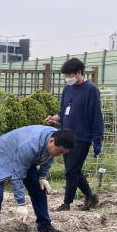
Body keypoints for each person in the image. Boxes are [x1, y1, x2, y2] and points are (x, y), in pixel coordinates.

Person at [0, 125, 76, 232]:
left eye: (63, 153)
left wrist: (42, 176)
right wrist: (21, 204)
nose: (59, 154)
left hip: (23, 154)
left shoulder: (57, 137)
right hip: (2, 152)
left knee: (38, 189)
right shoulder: (31, 146)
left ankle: (44, 227)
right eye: (59, 151)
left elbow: (50, 156)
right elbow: (17, 178)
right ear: (51, 141)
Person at [45, 57, 104, 212]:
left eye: (70, 75)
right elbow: (63, 112)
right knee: (74, 171)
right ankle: (91, 197)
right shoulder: (67, 89)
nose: (67, 78)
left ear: (79, 73)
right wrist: (54, 119)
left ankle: (67, 203)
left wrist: (97, 140)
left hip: (82, 137)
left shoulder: (91, 89)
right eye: (65, 76)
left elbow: (96, 116)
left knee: (71, 171)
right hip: (65, 136)